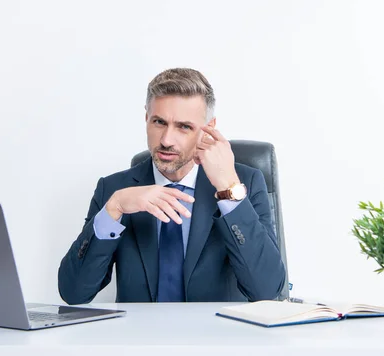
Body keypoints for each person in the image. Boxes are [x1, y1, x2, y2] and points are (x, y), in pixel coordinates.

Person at [58, 68, 285, 304]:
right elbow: (74, 293)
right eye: (159, 122)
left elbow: (266, 290)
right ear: (146, 118)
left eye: (184, 127)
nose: (166, 140)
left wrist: (228, 189)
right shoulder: (115, 189)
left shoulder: (244, 183)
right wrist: (113, 209)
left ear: (209, 128)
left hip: (217, 337)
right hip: (138, 338)